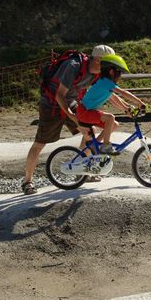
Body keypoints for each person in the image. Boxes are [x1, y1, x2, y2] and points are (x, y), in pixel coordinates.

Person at [21, 44, 117, 195]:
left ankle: (82, 171)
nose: (109, 67)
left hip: (71, 102)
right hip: (51, 105)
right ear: (97, 60)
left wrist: (127, 107)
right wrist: (72, 116)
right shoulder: (73, 66)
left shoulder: (97, 73)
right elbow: (59, 95)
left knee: (88, 133)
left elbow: (108, 91)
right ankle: (27, 181)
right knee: (40, 143)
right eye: (107, 63)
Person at [76, 54, 146, 155]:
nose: (119, 76)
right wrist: (139, 102)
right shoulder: (106, 82)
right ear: (111, 72)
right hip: (84, 112)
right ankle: (106, 146)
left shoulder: (104, 84)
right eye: (119, 73)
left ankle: (95, 144)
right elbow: (122, 92)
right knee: (110, 118)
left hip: (87, 112)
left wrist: (126, 109)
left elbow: (114, 99)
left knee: (114, 124)